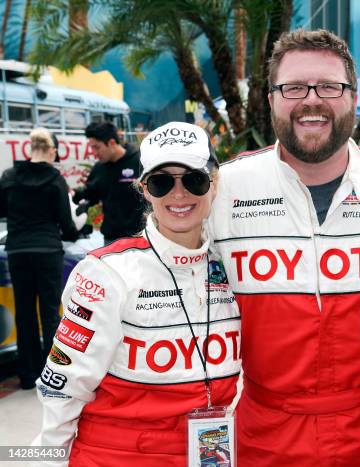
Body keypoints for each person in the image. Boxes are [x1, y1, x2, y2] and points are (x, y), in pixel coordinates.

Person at [209, 29, 360, 465]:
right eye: (294, 87)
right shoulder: (222, 188)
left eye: (330, 86)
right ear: (272, 98)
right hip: (265, 436)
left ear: (353, 96)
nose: (312, 99)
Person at [33, 122, 241, 466]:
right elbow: (63, 387)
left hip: (206, 452)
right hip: (118, 455)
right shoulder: (106, 273)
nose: (179, 194)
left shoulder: (233, 265)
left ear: (214, 184)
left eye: (194, 179)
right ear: (144, 189)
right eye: (161, 182)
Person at [0, 128, 81, 390]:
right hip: (47, 250)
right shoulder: (55, 179)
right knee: (49, 314)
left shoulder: (9, 177)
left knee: (24, 313)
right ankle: (52, 375)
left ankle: (26, 376)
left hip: (18, 251)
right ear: (51, 151)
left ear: (29, 149)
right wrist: (76, 231)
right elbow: (66, 223)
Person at [73, 121, 145, 244]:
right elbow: (89, 195)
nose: (94, 153)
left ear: (111, 143)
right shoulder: (99, 169)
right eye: (92, 148)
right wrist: (72, 193)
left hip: (141, 238)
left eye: (97, 147)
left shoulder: (139, 162)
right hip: (111, 240)